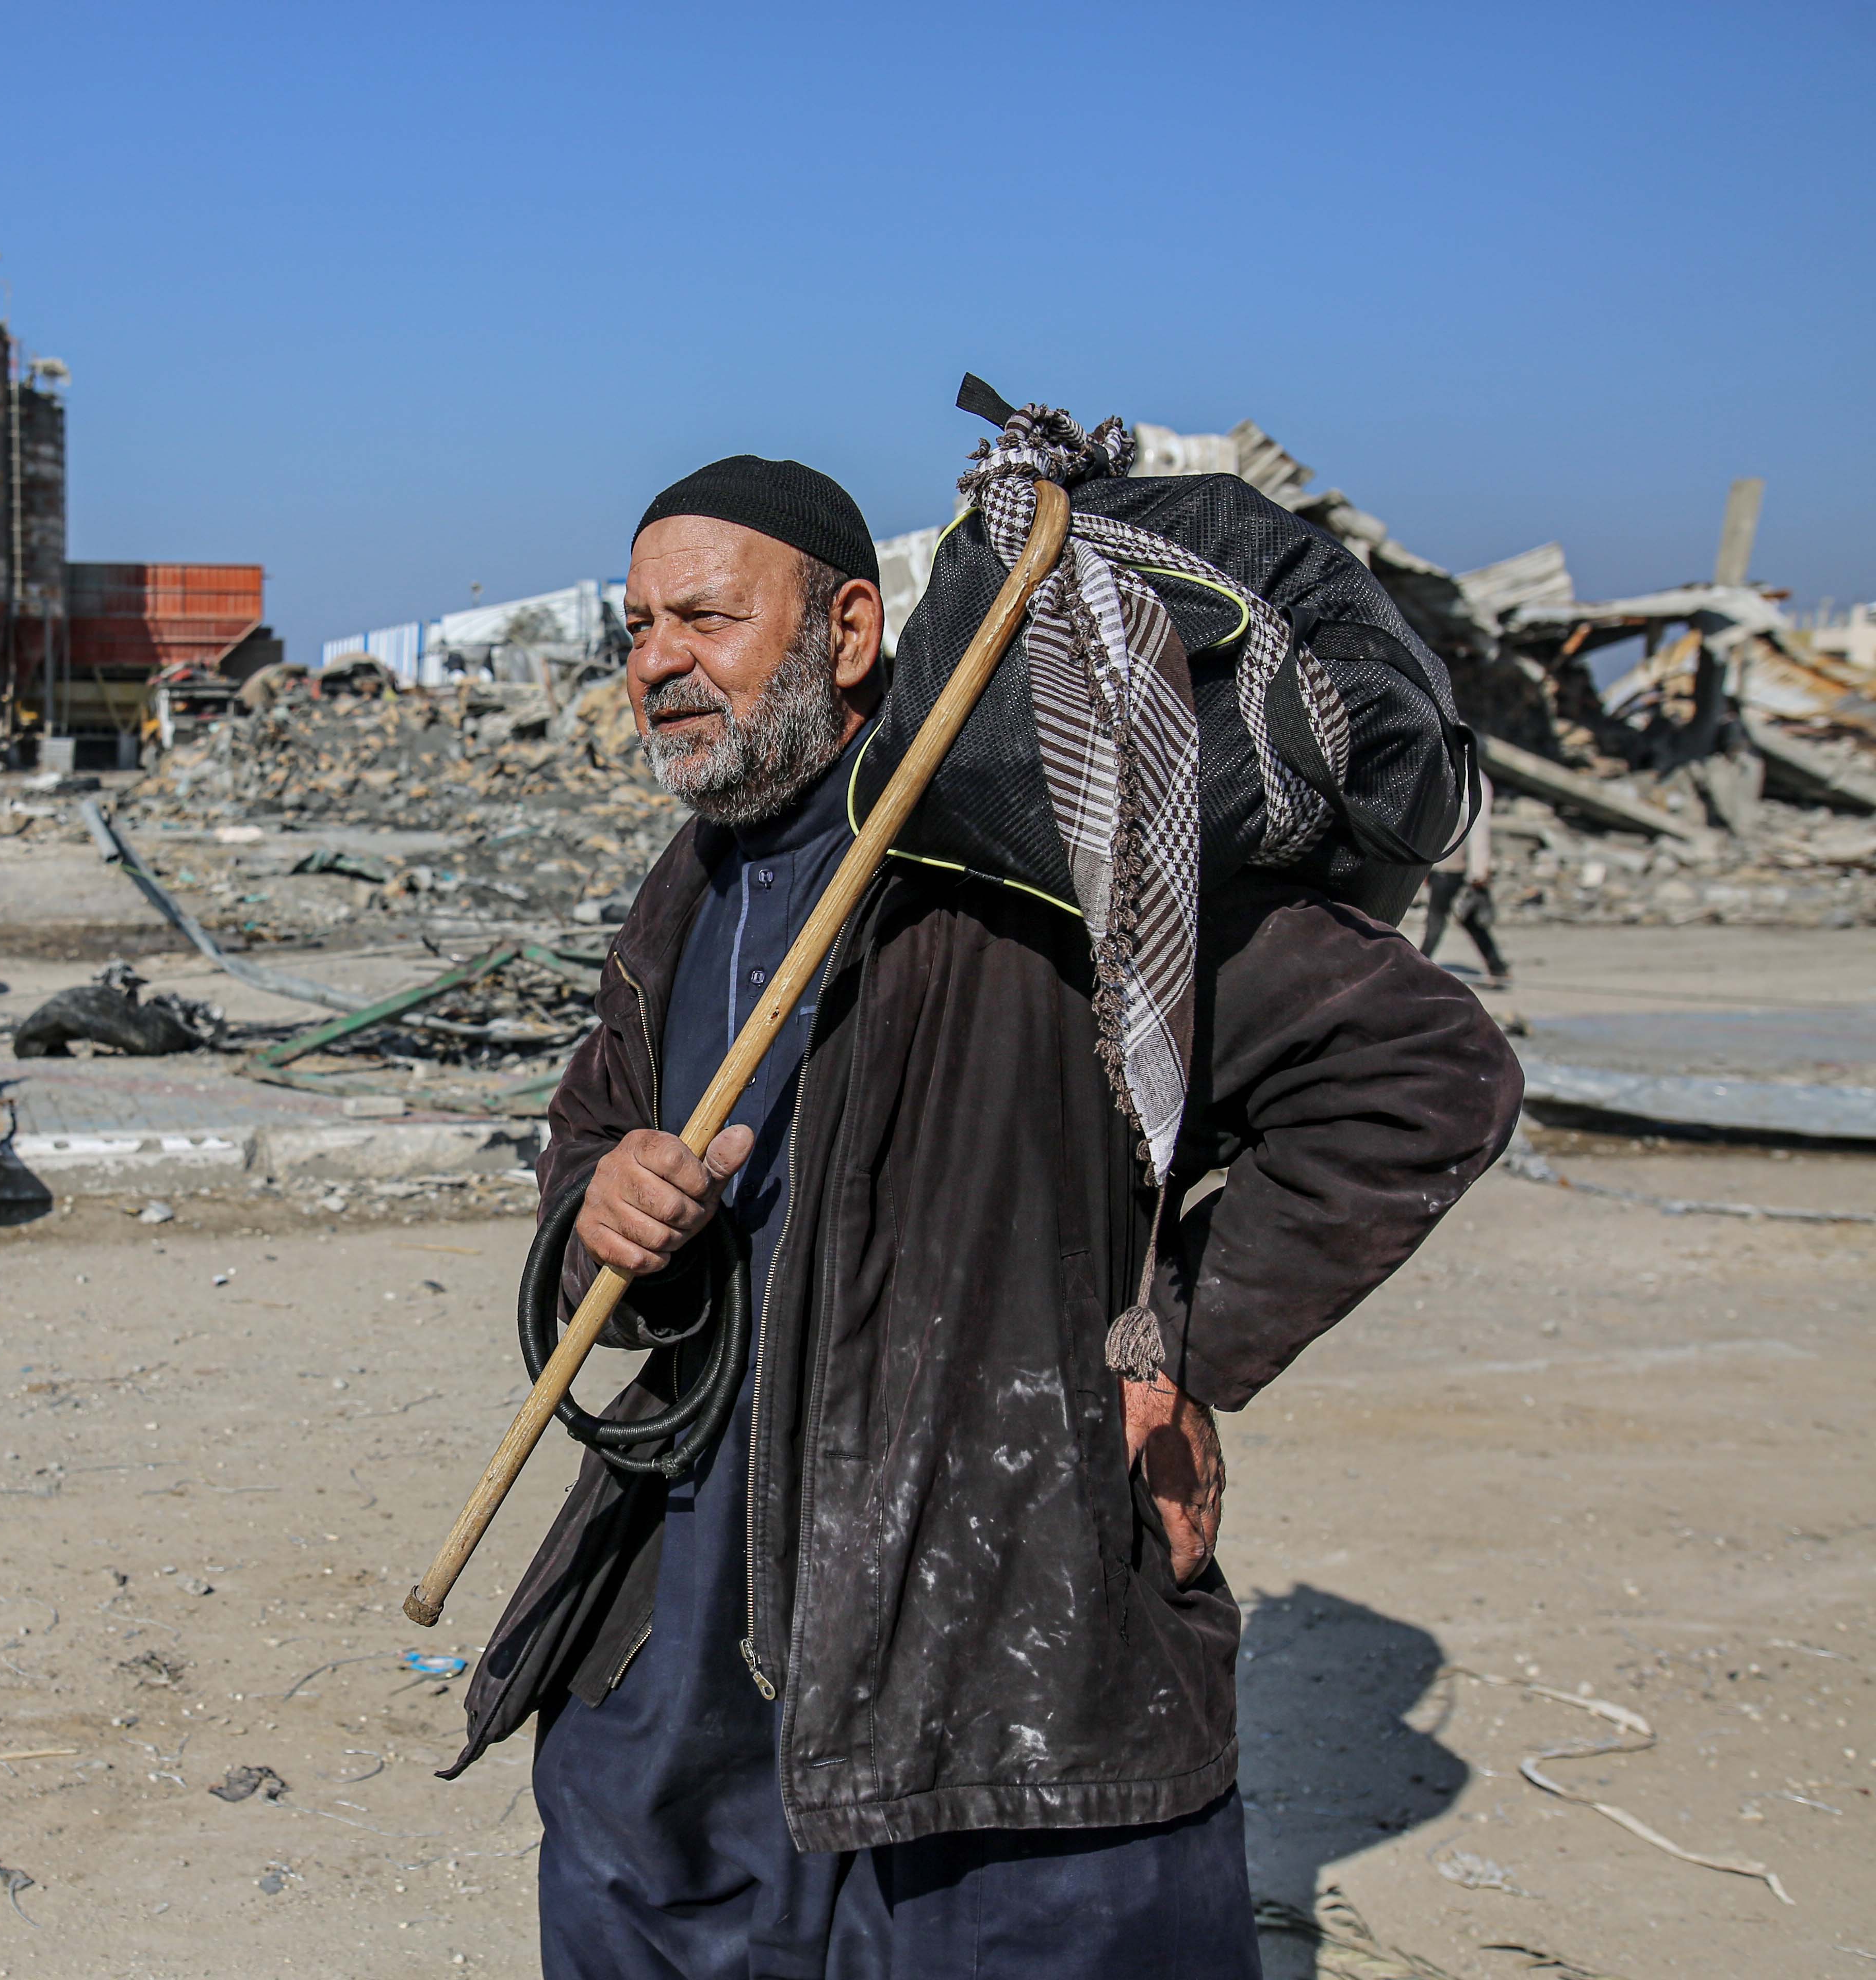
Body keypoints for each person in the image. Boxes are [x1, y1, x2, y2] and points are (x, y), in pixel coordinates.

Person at [447, 456, 1523, 1978]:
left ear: (850, 625)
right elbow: (584, 1154)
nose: (656, 661)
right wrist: (598, 1213)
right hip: (682, 1664)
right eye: (634, 626)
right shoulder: (684, 894)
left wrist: (1181, 1345)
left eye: (704, 615)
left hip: (994, 1640)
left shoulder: (1030, 858)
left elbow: (1422, 1074)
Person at [1421, 770, 1510, 987]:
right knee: (1470, 920)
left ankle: (1416, 968)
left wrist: (1478, 872)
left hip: (1453, 866)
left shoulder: (1470, 777)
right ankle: (1497, 967)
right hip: (1445, 864)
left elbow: (1478, 828)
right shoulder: (1448, 771)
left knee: (1436, 921)